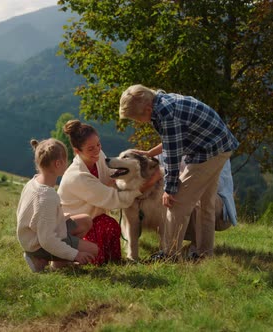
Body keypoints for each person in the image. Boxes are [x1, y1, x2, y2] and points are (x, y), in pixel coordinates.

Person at [119, 84, 239, 260]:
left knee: (176, 203)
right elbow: (174, 139)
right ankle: (204, 254)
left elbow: (173, 156)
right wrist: (151, 153)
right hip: (220, 147)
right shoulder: (163, 102)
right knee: (206, 204)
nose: (138, 122)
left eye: (137, 118)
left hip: (208, 153)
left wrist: (169, 189)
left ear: (147, 109)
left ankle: (169, 254)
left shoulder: (166, 114)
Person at [58, 120, 162, 265]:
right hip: (73, 226)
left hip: (93, 218)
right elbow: (115, 199)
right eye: (90, 149)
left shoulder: (98, 156)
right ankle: (66, 254)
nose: (97, 151)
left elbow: (112, 176)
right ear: (77, 151)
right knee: (106, 229)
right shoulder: (77, 176)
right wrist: (149, 183)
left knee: (111, 225)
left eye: (98, 145)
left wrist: (138, 175)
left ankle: (109, 260)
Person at [16, 138, 98, 272]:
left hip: (32, 235)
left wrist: (59, 217)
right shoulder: (47, 196)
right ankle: (39, 259)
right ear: (58, 163)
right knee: (93, 250)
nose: (68, 163)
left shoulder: (34, 182)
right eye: (66, 160)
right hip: (37, 244)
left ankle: (59, 262)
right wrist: (75, 255)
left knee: (85, 220)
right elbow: (47, 240)